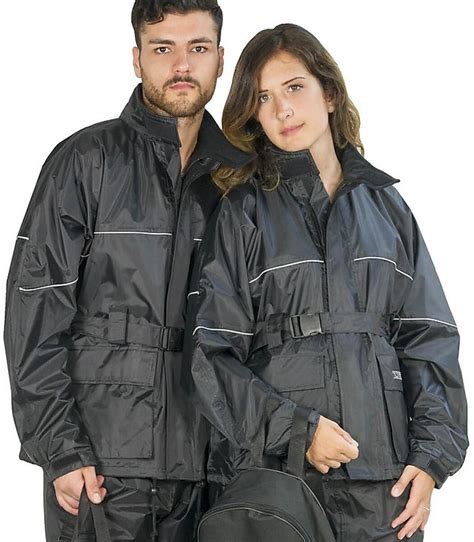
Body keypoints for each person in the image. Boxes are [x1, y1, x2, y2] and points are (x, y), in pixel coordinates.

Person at [184, 24, 469, 541]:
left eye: (295, 87)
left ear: (330, 93)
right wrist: (298, 430)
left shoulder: (387, 209)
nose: (282, 110)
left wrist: (431, 460)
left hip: (383, 485)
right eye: (263, 97)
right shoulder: (242, 212)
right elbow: (212, 355)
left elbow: (428, 340)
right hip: (278, 483)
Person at [3, 1, 251, 540]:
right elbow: (35, 313)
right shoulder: (85, 160)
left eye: (198, 48)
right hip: (101, 466)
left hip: (213, 467)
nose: (181, 65)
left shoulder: (241, 176)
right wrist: (61, 450)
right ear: (137, 59)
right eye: (163, 49)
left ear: (220, 59)